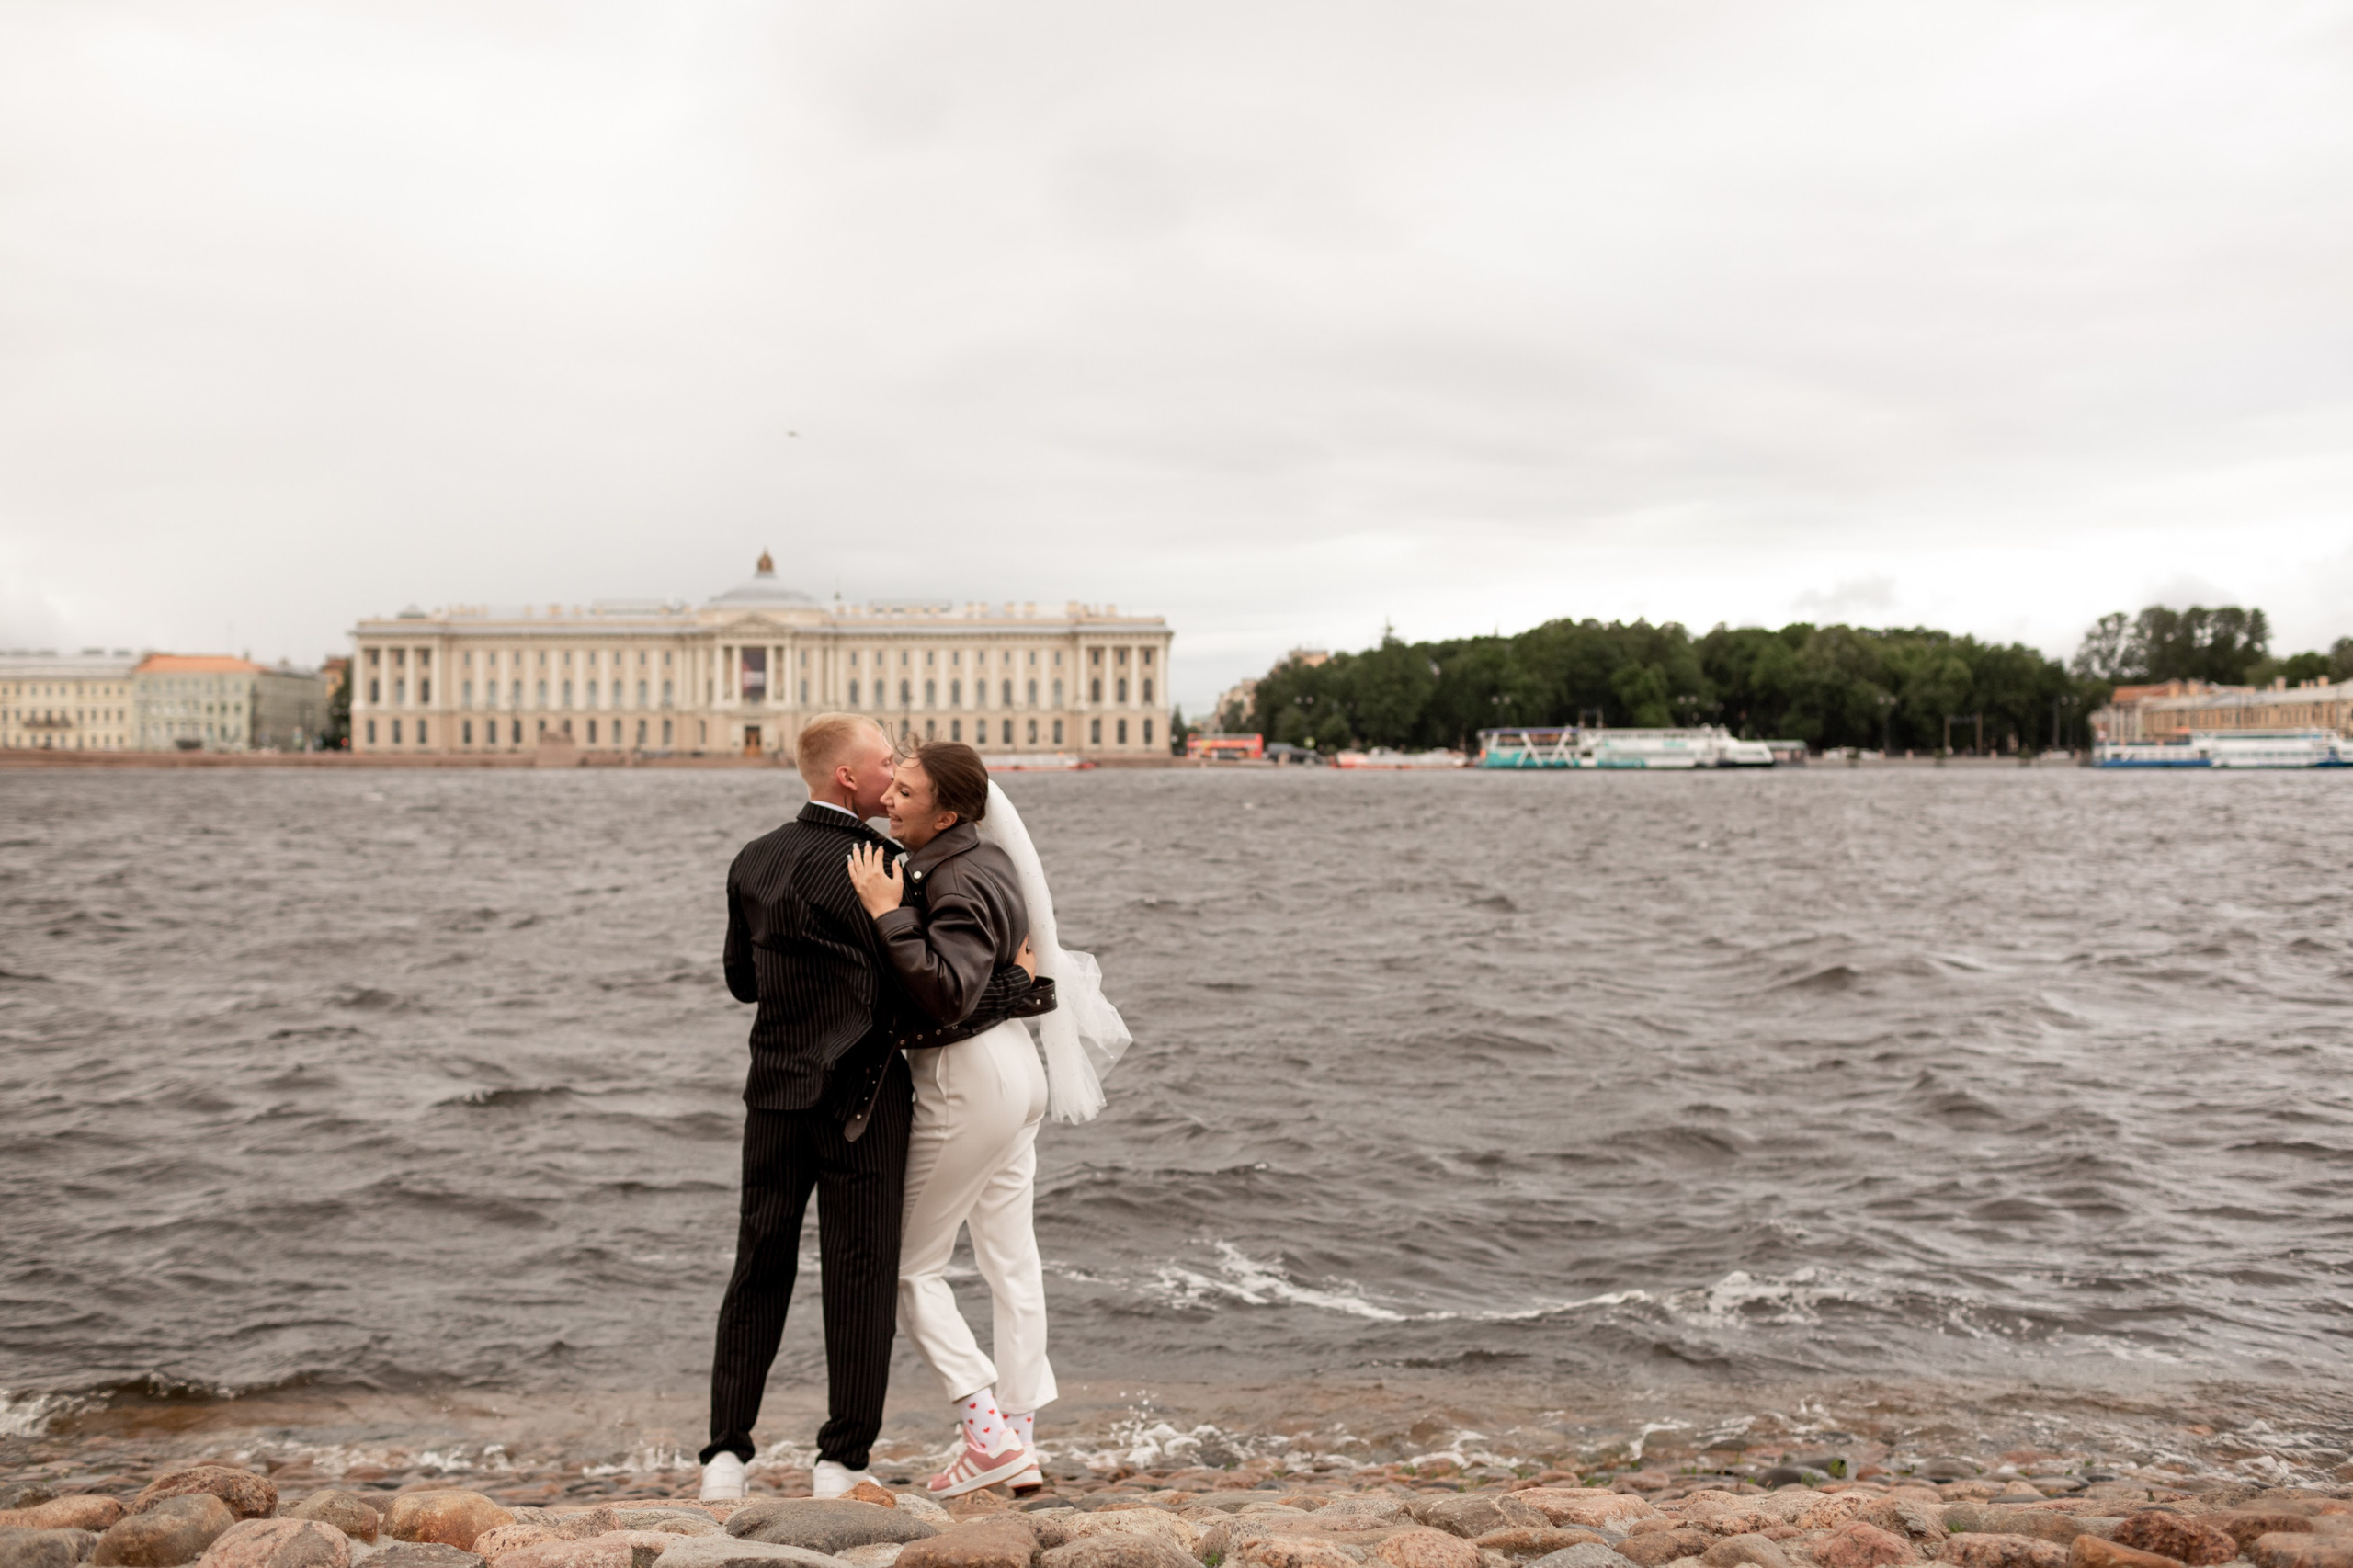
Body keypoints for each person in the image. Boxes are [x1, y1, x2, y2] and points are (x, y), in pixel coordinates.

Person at [699, 715, 1033, 1503]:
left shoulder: (753, 859)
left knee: (758, 1266)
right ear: (849, 777)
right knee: (861, 1274)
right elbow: (928, 996)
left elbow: (741, 980)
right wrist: (1021, 986)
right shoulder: (888, 865)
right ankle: (840, 1461)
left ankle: (725, 1458)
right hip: (865, 1098)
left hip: (773, 1096)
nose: (897, 774)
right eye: (887, 761)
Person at [845, 741, 1131, 1497]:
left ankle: (987, 1432)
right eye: (892, 786)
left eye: (904, 793)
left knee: (909, 1267)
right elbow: (1023, 983)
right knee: (1011, 1259)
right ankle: (1020, 1435)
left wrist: (884, 914)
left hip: (971, 1078)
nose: (887, 800)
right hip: (1015, 1069)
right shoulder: (987, 861)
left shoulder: (957, 877)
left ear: (947, 813)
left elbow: (944, 994)